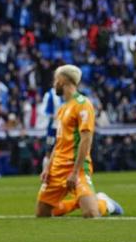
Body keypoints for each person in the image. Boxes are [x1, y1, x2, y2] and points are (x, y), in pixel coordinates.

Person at [36, 65, 123, 218]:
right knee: (43, 214)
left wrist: (75, 172)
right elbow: (59, 142)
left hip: (77, 167)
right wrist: (47, 168)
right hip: (57, 169)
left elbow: (86, 139)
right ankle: (83, 201)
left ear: (63, 80)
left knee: (91, 213)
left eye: (56, 79)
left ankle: (104, 203)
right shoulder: (62, 109)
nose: (54, 83)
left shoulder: (83, 104)